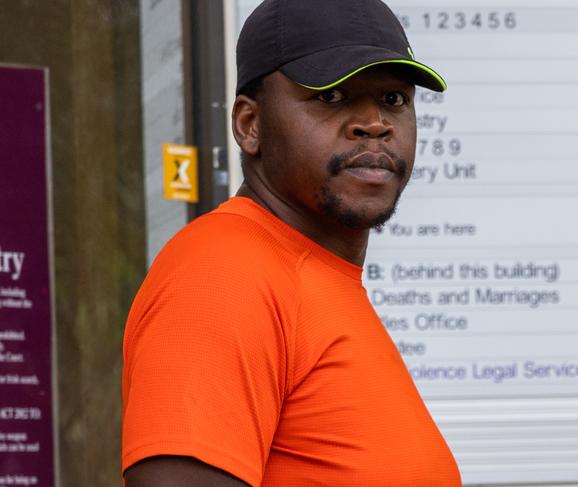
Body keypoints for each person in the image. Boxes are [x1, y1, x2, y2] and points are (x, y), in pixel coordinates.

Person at [122, 0, 460, 485]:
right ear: (249, 125)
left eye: (393, 99)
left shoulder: (314, 276)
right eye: (331, 96)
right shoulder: (222, 276)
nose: (375, 123)